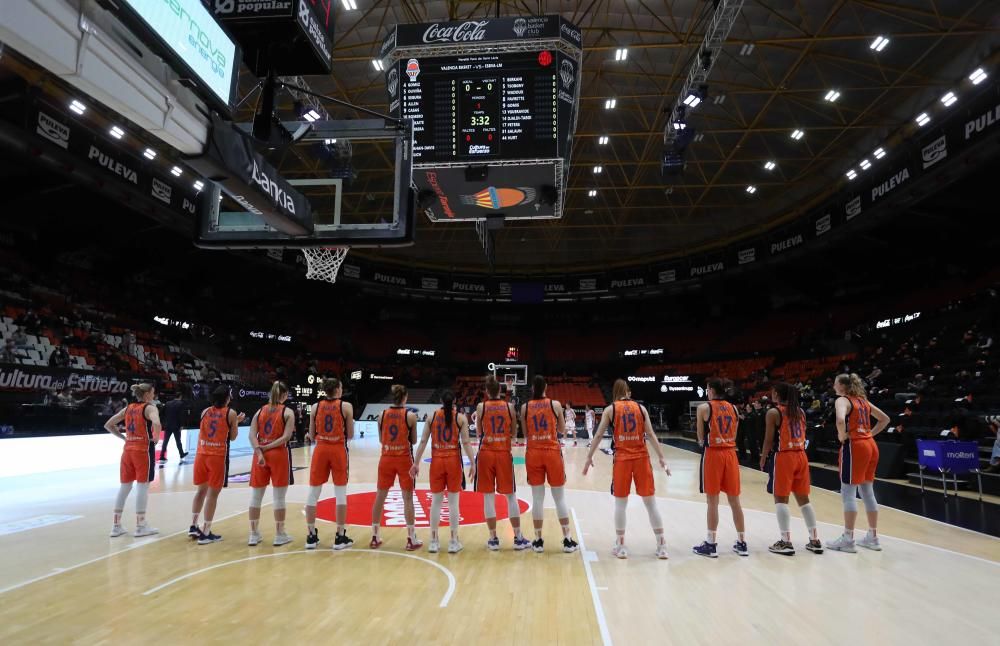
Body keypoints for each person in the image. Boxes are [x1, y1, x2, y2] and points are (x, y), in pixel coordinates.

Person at [583, 379, 669, 559]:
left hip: (622, 459)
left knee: (620, 505)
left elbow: (598, 435)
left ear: (615, 392)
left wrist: (589, 456)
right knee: (650, 503)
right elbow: (652, 435)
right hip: (642, 458)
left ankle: (621, 546)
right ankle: (662, 545)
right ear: (628, 391)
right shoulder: (641, 408)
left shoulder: (611, 409)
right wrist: (661, 457)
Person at [826, 374, 890, 553]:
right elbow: (885, 419)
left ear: (842, 386)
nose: (833, 385)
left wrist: (841, 435)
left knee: (848, 492)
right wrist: (870, 434)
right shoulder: (863, 401)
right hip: (871, 445)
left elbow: (840, 420)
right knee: (868, 492)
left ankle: (848, 538)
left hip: (856, 446)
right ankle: (872, 537)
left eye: (835, 382)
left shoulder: (843, 401)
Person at [759, 382, 823, 556]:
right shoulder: (800, 411)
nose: (771, 394)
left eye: (773, 392)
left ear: (778, 394)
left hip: (784, 456)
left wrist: (763, 456)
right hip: (801, 456)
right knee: (804, 500)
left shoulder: (774, 412)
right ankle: (815, 540)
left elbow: (768, 440)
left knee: (781, 499)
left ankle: (786, 542)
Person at [410, 390, 476, 553]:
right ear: (455, 401)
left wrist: (416, 462)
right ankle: (453, 541)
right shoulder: (460, 418)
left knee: (436, 502)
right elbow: (466, 442)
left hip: (437, 461)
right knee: (453, 503)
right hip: (453, 461)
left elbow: (423, 441)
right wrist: (473, 463)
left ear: (440, 400)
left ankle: (433, 541)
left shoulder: (431, 417)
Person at [521, 375, 579, 553]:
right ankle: (568, 539)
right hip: (552, 452)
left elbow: (525, 433)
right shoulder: (555, 404)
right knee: (559, 498)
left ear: (532, 388)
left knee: (537, 499)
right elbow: (562, 430)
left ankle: (538, 540)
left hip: (533, 453)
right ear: (546, 387)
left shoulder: (525, 407)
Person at [692, 378, 749, 558]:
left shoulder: (703, 408)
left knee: (712, 501)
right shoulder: (733, 408)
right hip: (731, 454)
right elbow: (735, 432)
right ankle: (741, 543)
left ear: (710, 390)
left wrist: (706, 441)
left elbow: (700, 437)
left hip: (714, 454)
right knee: (735, 501)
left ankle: (711, 543)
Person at [473, 375, 530, 551]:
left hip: (486, 454)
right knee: (511, 496)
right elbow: (514, 432)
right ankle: (518, 537)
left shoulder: (481, 406)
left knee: (488, 497)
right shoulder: (509, 407)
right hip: (503, 453)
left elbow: (480, 432)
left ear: (486, 391)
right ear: (500, 390)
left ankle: (493, 539)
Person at [103, 383, 160, 538]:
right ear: (147, 394)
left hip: (128, 450)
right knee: (143, 486)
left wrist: (123, 438)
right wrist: (155, 436)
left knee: (125, 487)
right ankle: (141, 525)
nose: (154, 395)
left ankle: (116, 526)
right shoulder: (150, 408)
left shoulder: (127, 408)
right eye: (153, 392)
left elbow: (108, 425)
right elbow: (156, 422)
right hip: (142, 450)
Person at [370, 385, 423, 551]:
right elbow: (413, 441)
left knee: (380, 497)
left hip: (385, 457)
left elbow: (381, 439)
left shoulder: (382, 415)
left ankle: (375, 536)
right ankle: (411, 538)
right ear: (405, 397)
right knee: (407, 498)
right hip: (404, 459)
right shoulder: (411, 416)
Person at [305, 378, 355, 551]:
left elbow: (311, 435)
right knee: (340, 494)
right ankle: (340, 536)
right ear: (337, 389)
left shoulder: (315, 407)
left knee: (313, 493)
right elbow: (350, 435)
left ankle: (311, 536)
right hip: (338, 450)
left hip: (320, 450)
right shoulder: (346, 406)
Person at [247, 381, 296, 547]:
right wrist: (268, 447)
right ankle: (279, 534)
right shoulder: (288, 412)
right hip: (278, 454)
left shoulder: (259, 411)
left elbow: (252, 435)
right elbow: (286, 437)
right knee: (279, 497)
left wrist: (260, 451)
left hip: (259, 455)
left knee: (255, 497)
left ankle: (253, 534)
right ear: (284, 395)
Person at [189, 386, 240, 544]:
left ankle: (193, 525)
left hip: (201, 455)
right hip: (217, 457)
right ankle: (206, 532)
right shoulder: (230, 413)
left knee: (201, 491)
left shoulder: (205, 411)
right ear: (227, 398)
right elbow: (232, 437)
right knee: (212, 495)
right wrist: (236, 422)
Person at [159, 388, 190, 466]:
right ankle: (181, 454)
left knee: (165, 441)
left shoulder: (168, 403)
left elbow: (162, 413)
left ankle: (162, 456)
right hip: (176, 425)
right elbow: (182, 415)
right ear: (180, 396)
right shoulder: (181, 404)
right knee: (178, 441)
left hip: (168, 425)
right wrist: (182, 424)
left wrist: (164, 422)